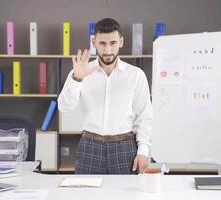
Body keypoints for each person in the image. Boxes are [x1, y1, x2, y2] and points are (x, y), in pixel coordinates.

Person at [58, 18, 153, 174]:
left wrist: (143, 151)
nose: (108, 50)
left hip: (125, 147)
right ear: (94, 42)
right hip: (90, 146)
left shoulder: (135, 75)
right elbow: (64, 107)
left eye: (113, 43)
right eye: (102, 43)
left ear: (121, 42)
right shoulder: (81, 71)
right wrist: (77, 79)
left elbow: (145, 116)